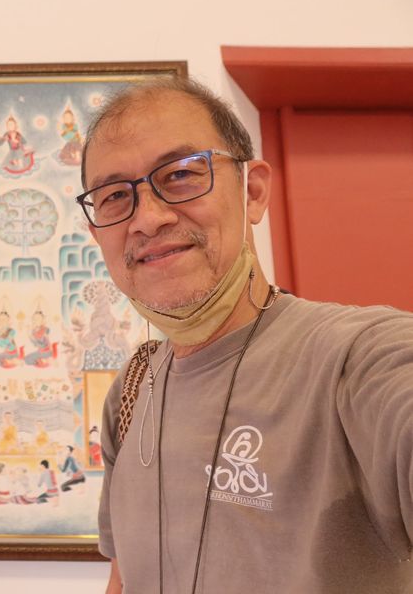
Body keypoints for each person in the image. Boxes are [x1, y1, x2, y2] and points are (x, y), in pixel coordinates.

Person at [77, 77, 413, 593]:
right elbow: (125, 576)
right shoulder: (131, 389)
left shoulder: (356, 359)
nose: (148, 219)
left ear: (252, 192)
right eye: (115, 196)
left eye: (181, 174)